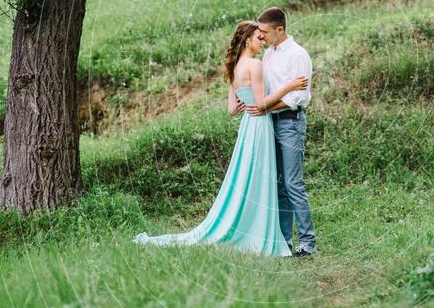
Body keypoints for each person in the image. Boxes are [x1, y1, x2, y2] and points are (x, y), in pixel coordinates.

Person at [132, 20, 308, 257]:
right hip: (260, 124)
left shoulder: (235, 66)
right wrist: (290, 86)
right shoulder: (255, 65)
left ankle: (259, 227)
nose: (263, 40)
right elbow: (263, 103)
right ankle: (260, 231)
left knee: (252, 176)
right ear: (247, 39)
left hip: (248, 124)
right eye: (259, 37)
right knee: (259, 179)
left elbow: (232, 110)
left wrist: (248, 101)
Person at [241, 7, 317, 257]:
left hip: (290, 123)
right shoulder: (268, 55)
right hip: (269, 123)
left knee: (294, 183)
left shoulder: (297, 55)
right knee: (279, 185)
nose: (261, 36)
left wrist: (265, 108)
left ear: (280, 29)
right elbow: (267, 90)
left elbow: (299, 96)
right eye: (258, 32)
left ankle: (307, 243)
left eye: (264, 31)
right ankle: (283, 241)